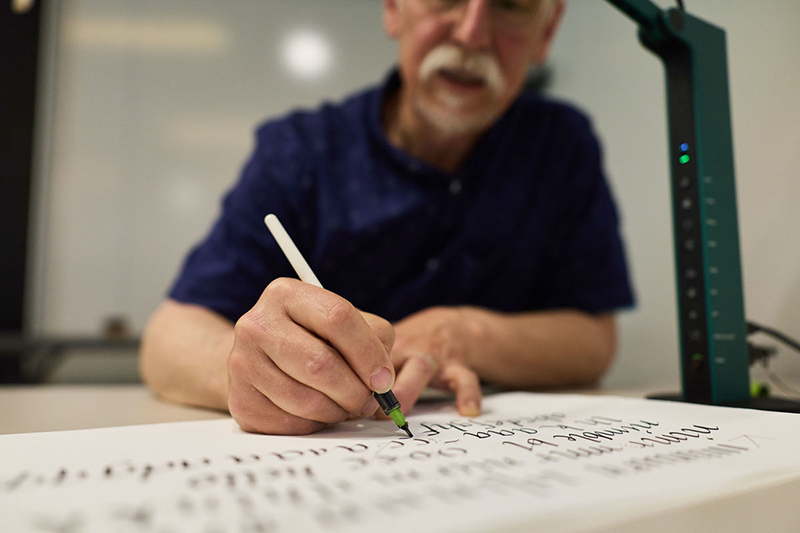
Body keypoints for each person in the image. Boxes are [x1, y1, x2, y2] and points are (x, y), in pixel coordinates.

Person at [140, 0, 634, 435]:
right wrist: (243, 369)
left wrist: (464, 334)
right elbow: (169, 336)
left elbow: (594, 339)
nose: (471, 34)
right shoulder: (301, 151)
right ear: (394, 7)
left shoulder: (560, 146)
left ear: (546, 32)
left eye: (510, 4)